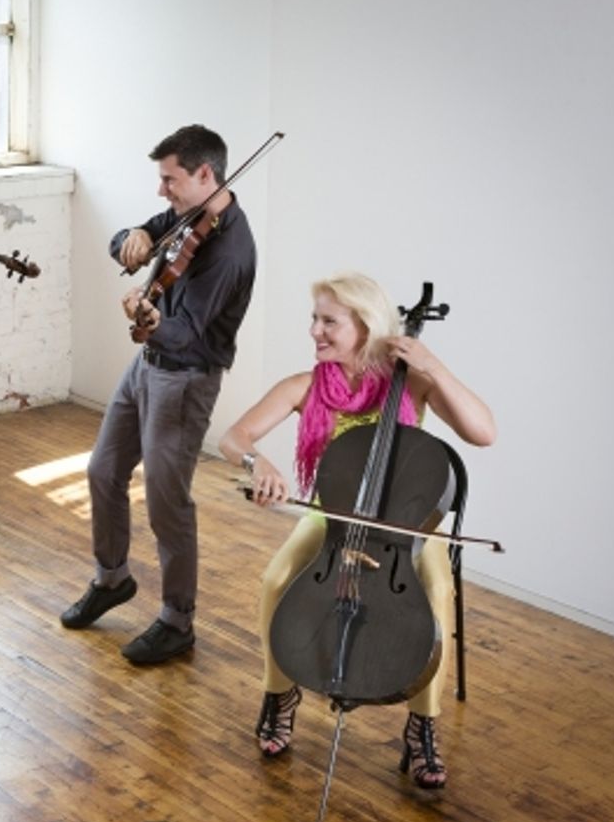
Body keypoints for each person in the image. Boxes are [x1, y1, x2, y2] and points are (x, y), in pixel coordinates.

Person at [219, 272, 497, 788]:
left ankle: (421, 728)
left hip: (405, 524)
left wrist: (434, 366)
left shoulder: (411, 382)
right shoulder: (303, 386)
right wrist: (258, 463)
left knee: (434, 592)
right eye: (314, 319)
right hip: (332, 515)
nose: (314, 331)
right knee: (277, 581)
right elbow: (233, 438)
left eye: (329, 321)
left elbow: (484, 432)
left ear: (365, 326)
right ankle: (280, 695)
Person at [59, 125, 256, 664]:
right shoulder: (188, 213)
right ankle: (112, 578)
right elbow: (134, 237)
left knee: (168, 502)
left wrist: (148, 320)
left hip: (186, 379)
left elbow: (188, 333)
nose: (161, 191)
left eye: (169, 179)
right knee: (103, 470)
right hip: (146, 366)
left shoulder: (230, 251)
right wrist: (131, 237)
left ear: (205, 175)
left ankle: (177, 620)